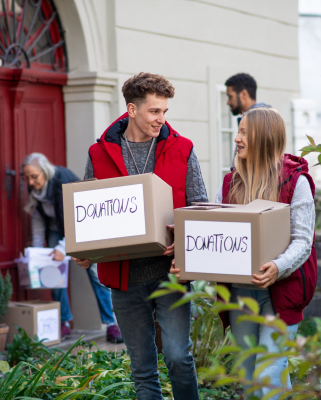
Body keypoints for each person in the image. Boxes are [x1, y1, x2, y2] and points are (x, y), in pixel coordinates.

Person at [72, 72, 208, 400]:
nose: (161, 119)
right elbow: (90, 211)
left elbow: (200, 207)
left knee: (178, 356)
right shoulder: (99, 153)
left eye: (164, 112)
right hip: (124, 278)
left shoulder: (182, 148)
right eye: (154, 112)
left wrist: (184, 244)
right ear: (132, 109)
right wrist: (84, 249)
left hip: (170, 274)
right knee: (142, 367)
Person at [215, 108, 317, 398]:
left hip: (281, 292)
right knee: (250, 380)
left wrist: (276, 265)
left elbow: (302, 241)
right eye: (238, 131)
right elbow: (219, 233)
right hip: (239, 294)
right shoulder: (230, 182)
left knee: (269, 376)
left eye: (244, 132)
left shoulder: (296, 182)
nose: (237, 138)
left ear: (263, 136)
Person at [21, 153, 123, 343]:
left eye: (34, 176)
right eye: (26, 177)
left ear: (44, 172)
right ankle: (64, 322)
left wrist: (62, 248)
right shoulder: (36, 187)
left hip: (85, 227)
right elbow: (38, 221)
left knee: (95, 272)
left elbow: (77, 220)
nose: (30, 181)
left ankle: (113, 324)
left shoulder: (63, 182)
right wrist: (38, 252)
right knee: (52, 270)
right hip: (57, 228)